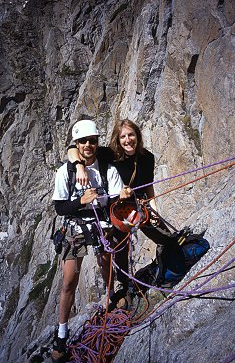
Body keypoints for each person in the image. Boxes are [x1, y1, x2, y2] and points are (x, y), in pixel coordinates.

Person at [68, 119, 187, 292]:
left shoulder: (147, 158)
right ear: (117, 140)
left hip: (140, 207)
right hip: (117, 209)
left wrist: (154, 210)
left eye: (131, 135)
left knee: (165, 237)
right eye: (123, 136)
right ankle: (124, 285)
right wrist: (79, 167)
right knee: (121, 249)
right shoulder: (110, 154)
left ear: (137, 136)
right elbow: (72, 150)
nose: (127, 140)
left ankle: (172, 270)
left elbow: (148, 186)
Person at [51, 119, 131, 363]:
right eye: (83, 141)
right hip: (75, 226)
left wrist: (125, 196)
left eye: (92, 141)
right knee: (68, 282)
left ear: (97, 142)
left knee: (107, 265)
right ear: (76, 143)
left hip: (101, 224)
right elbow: (59, 208)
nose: (88, 145)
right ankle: (62, 335)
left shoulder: (107, 169)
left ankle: (109, 298)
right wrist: (81, 202)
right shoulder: (66, 171)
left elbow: (117, 199)